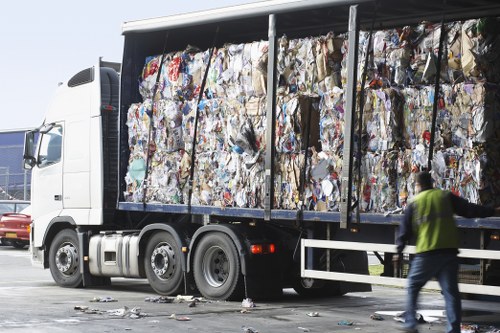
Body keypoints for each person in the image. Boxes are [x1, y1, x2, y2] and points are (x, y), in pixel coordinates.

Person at [394, 171, 500, 333]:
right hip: (449, 254)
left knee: (413, 285)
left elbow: (404, 231)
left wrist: (398, 251)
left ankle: (410, 324)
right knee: (451, 293)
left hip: (427, 253)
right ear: (431, 183)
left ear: (418, 185)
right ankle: (453, 329)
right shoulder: (445, 197)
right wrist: (492, 211)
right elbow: (469, 210)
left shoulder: (415, 203)